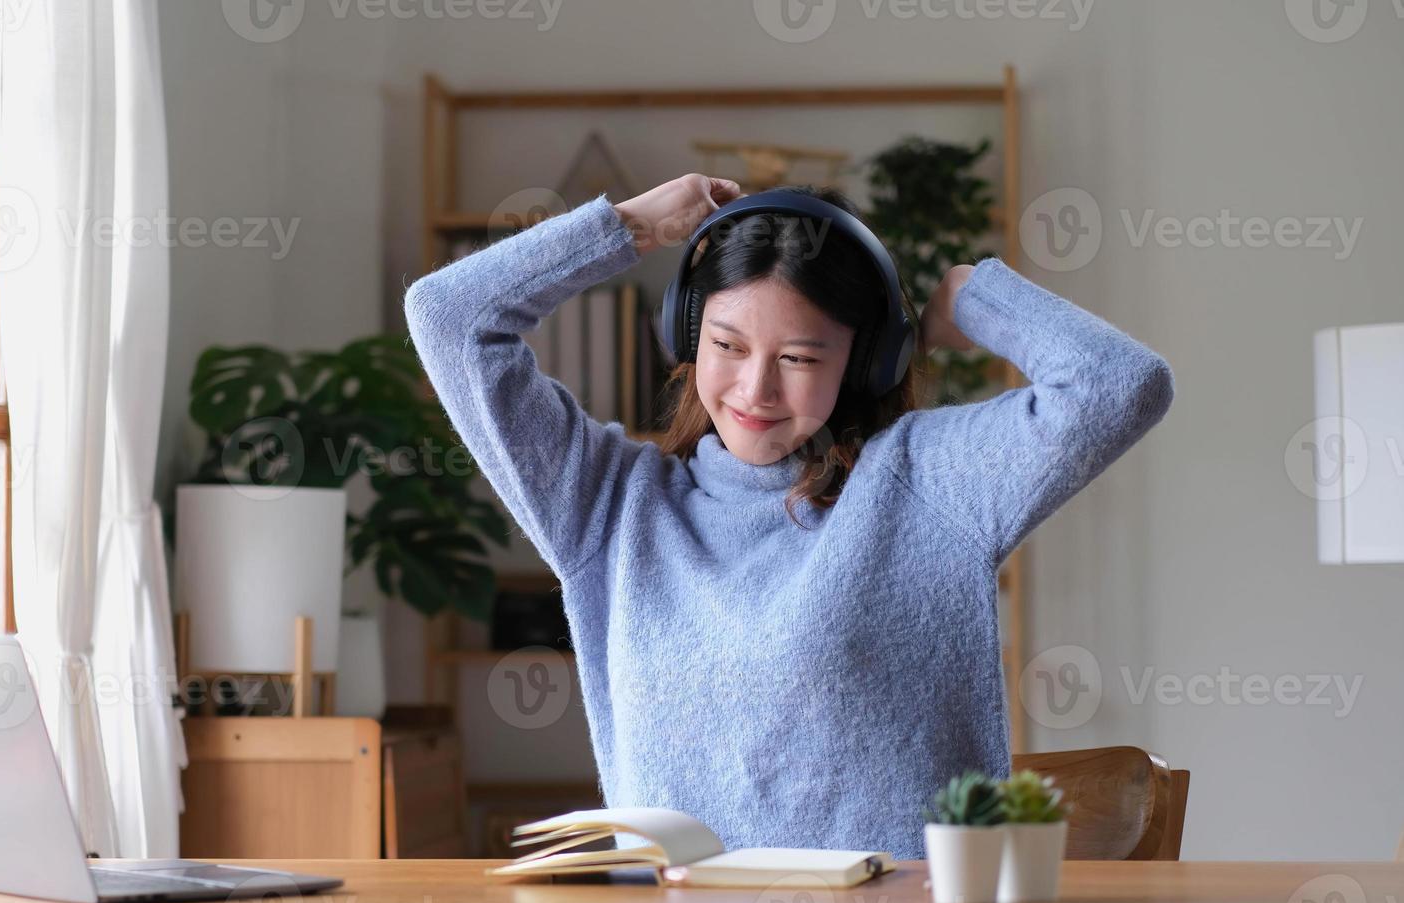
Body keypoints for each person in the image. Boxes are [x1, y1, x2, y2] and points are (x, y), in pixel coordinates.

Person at [403, 174, 1175, 858]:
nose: (755, 389)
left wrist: (972, 297)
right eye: (727, 345)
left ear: (869, 361)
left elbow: (1121, 384)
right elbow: (448, 316)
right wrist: (630, 225)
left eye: (800, 359)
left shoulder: (928, 481)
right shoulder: (606, 505)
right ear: (684, 337)